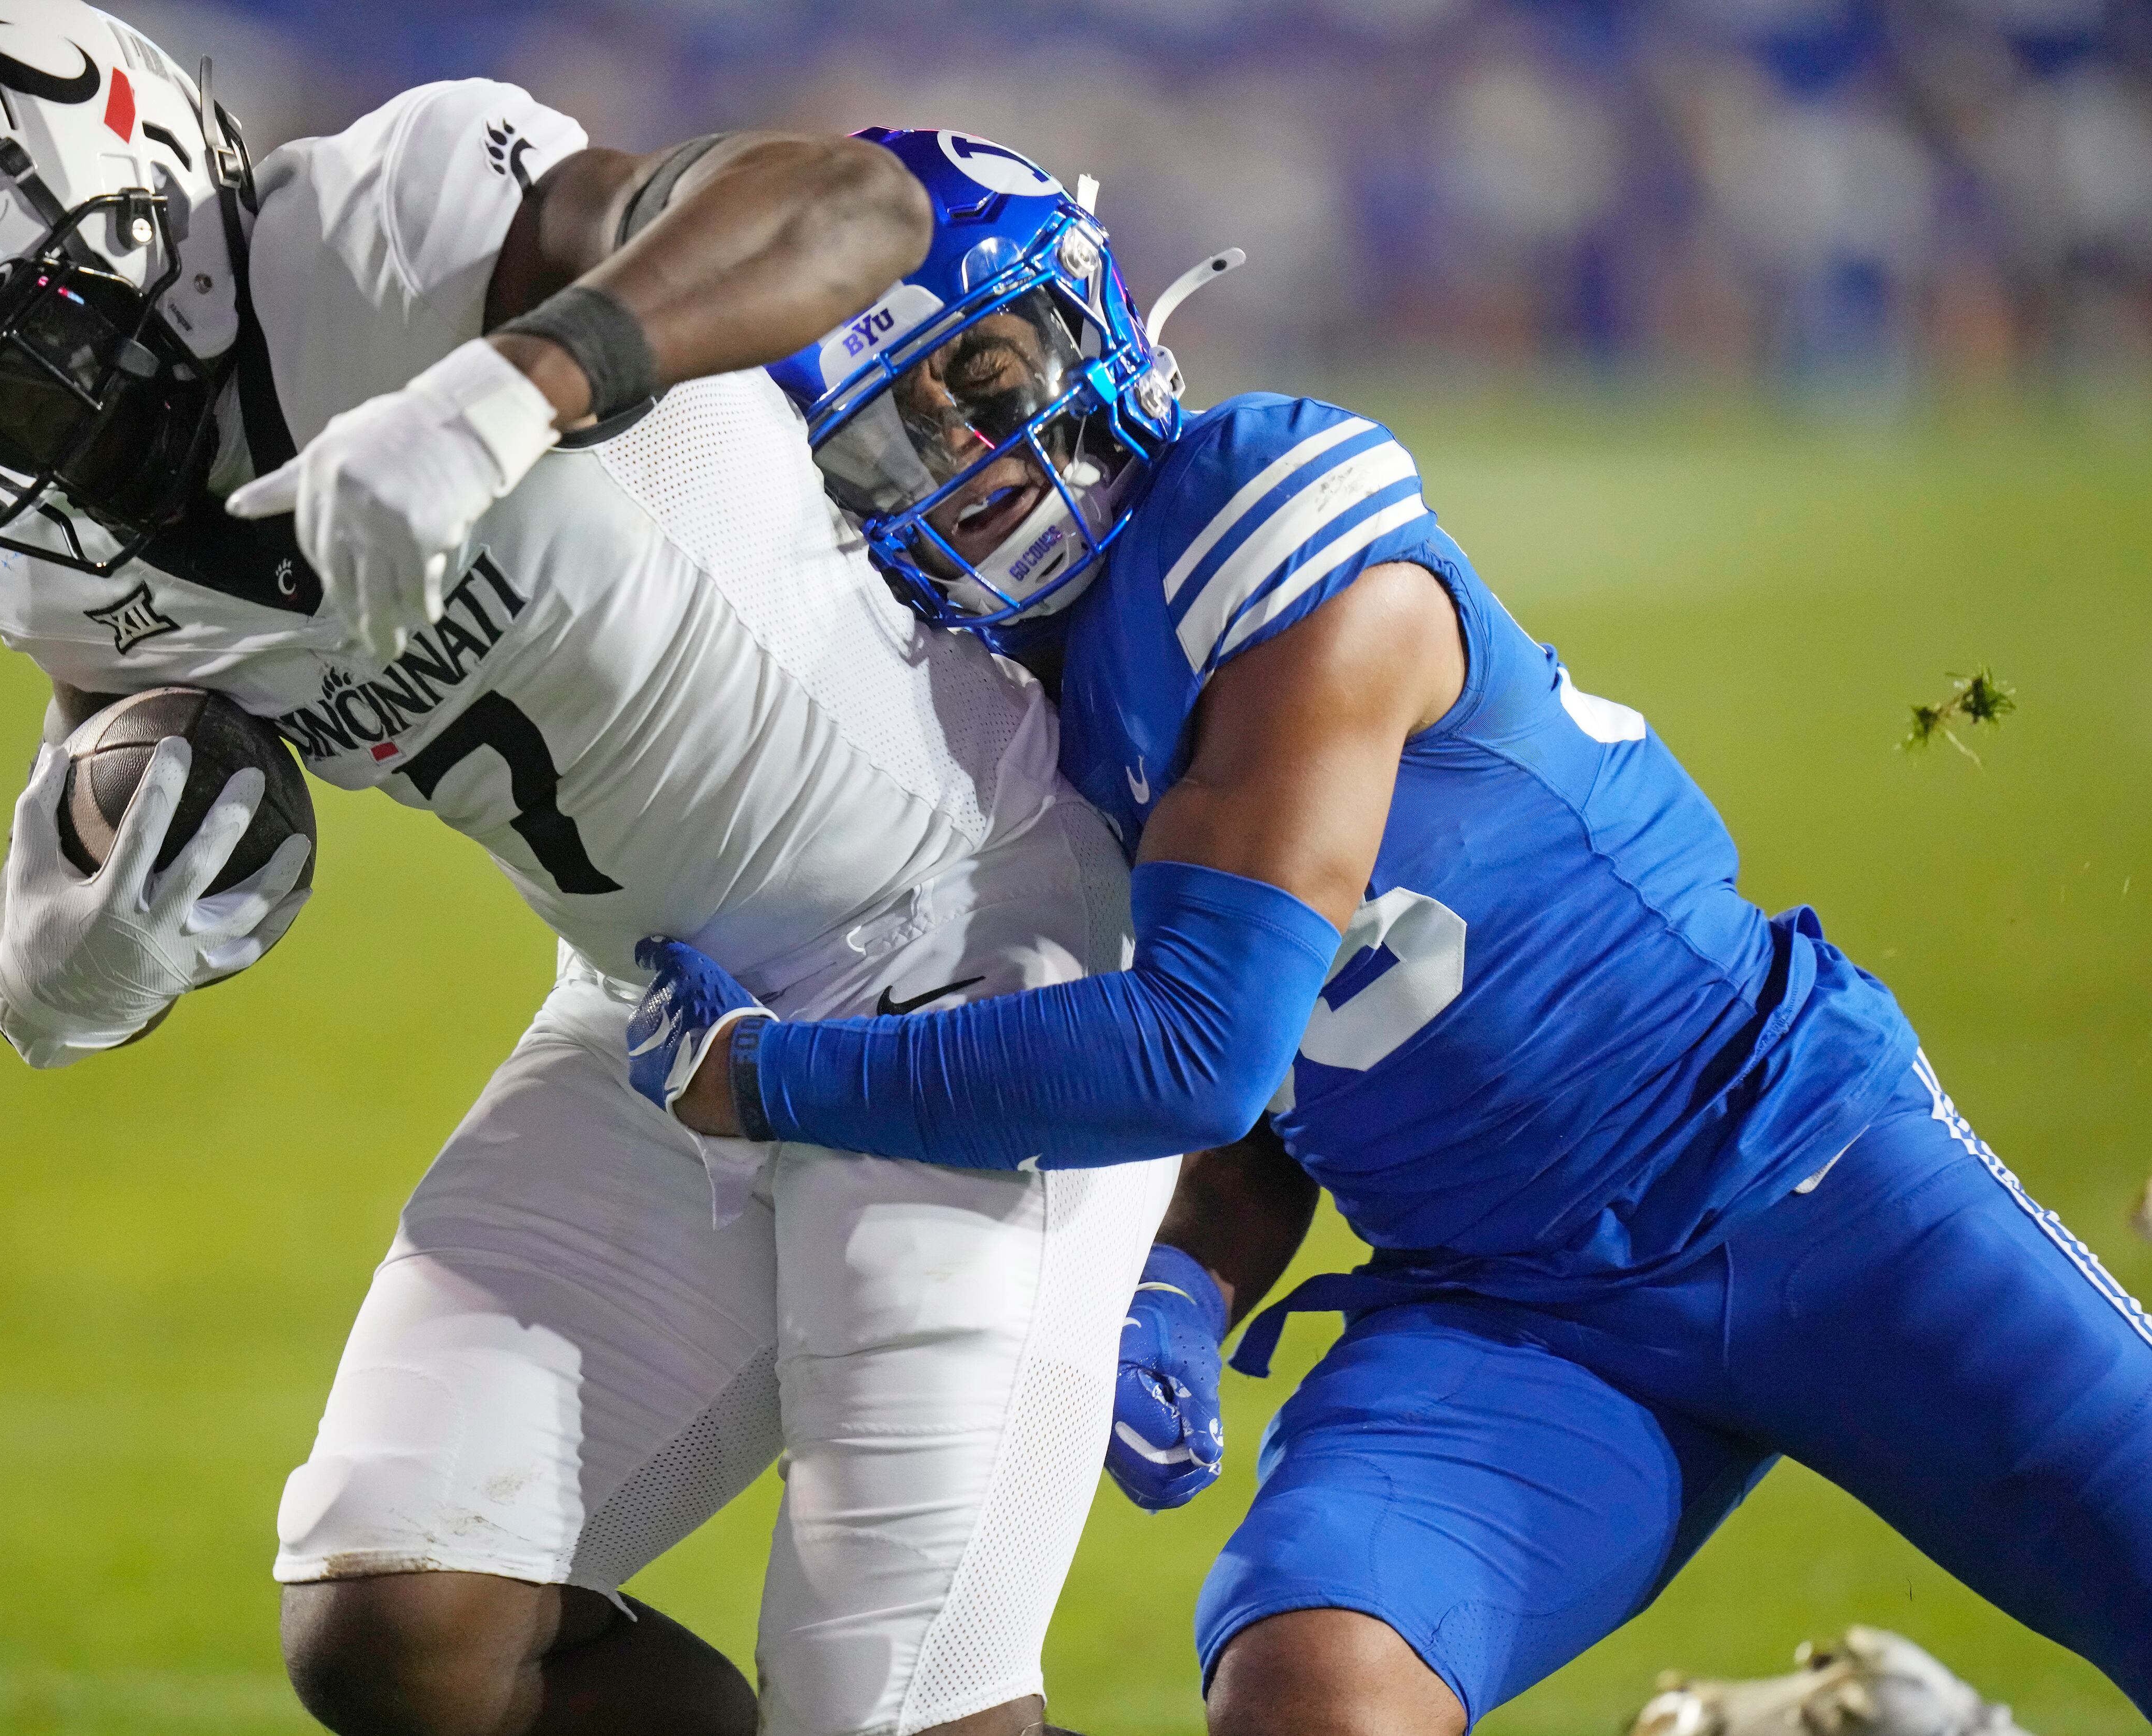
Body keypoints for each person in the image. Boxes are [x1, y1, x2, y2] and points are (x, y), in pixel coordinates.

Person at [637, 127, 2152, 1733]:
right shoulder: (997, 705)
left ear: (1086, 325)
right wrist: (1193, 1278)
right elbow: (1305, 1044)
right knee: (1317, 1699)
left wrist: (771, 1079)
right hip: (1501, 1305)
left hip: (1805, 1171)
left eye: (989, 381)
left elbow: (1202, 1045)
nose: (976, 457)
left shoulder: (1264, 513)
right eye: (902, 434)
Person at [0, 32, 1174, 1736]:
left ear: (150, 223)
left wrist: (508, 387)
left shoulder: (396, 228)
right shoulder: (51, 564)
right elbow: (110, 747)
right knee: (405, 1621)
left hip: (974, 946)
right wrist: (63, 953)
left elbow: (854, 206)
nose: (36, 442)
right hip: (665, 1017)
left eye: (39, 355)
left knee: (892, 1708)